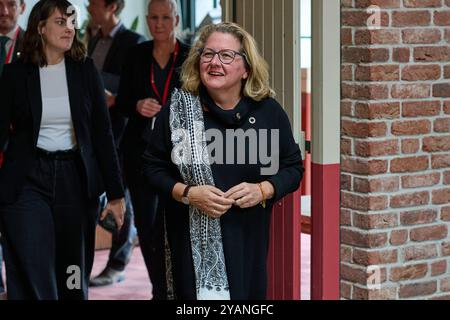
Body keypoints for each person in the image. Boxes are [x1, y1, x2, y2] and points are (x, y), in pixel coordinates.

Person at [142, 22, 304, 300]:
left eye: (226, 56)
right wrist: (189, 194)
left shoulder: (268, 112)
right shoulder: (178, 111)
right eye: (208, 54)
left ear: (246, 69)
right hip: (188, 245)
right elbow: (150, 167)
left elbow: (293, 167)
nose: (215, 62)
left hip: (246, 243)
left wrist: (263, 190)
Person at [0, 0, 125, 300]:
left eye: (72, 21)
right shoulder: (16, 74)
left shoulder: (85, 71)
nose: (69, 28)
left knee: (72, 273)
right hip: (27, 181)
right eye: (60, 22)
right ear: (40, 28)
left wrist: (117, 193)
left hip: (75, 180)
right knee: (34, 269)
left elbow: (102, 134)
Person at [115, 0, 189, 299]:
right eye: (154, 18)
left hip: (180, 157)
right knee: (147, 229)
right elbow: (120, 103)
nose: (159, 24)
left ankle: (179, 289)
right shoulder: (135, 55)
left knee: (178, 227)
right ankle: (160, 288)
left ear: (176, 18)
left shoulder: (190, 56)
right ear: (146, 20)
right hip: (141, 155)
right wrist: (136, 105)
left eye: (165, 18)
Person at [86, 0, 145, 287]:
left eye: (93, 3)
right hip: (95, 130)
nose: (88, 8)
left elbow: (137, 87)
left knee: (121, 197)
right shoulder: (94, 38)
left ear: (111, 6)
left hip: (121, 132)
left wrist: (114, 97)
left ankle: (118, 262)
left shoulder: (133, 41)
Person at [0, 0, 26, 297]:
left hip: (21, 156)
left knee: (19, 229)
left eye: (10, 3)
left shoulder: (37, 44)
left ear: (21, 5)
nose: (4, 11)